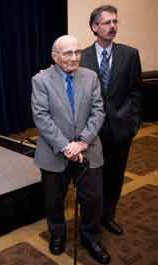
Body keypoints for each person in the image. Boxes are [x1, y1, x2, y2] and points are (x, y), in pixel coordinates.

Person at [31, 35, 110, 264]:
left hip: (89, 149)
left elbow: (98, 112)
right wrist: (66, 146)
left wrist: (83, 141)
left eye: (77, 52)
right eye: (68, 53)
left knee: (93, 198)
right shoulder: (41, 80)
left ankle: (90, 236)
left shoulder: (91, 77)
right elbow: (41, 116)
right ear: (55, 57)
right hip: (54, 152)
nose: (74, 57)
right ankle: (57, 233)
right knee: (54, 200)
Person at [80, 5, 142, 235]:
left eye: (115, 22)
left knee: (115, 177)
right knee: (91, 181)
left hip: (120, 130)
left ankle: (109, 216)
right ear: (94, 27)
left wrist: (133, 125)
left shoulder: (130, 54)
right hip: (91, 133)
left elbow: (136, 92)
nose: (113, 26)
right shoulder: (82, 57)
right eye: (107, 23)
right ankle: (91, 220)